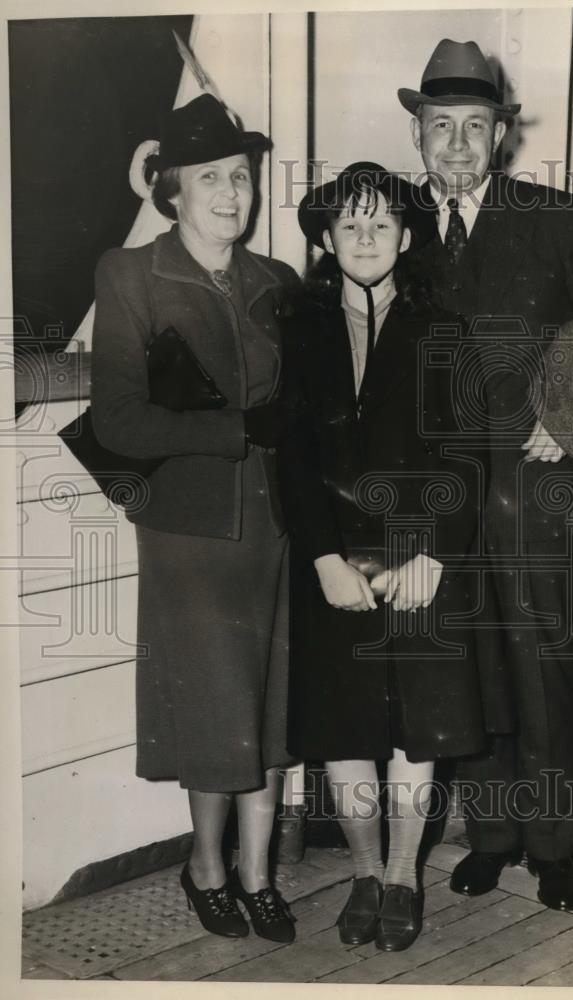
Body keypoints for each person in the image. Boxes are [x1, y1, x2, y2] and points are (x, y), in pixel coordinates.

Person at [399, 39, 573, 911]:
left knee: (541, 665)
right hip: (436, 491)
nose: (456, 144)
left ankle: (551, 845)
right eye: (439, 126)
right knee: (466, 665)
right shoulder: (385, 228)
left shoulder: (557, 219)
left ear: (500, 135)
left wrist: (568, 420)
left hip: (536, 488)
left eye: (474, 126)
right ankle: (490, 836)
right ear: (417, 135)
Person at [90, 94, 298, 942]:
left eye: (241, 177)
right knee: (217, 709)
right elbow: (119, 422)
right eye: (209, 177)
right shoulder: (130, 275)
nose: (229, 193)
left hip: (278, 527)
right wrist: (237, 430)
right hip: (189, 535)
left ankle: (257, 874)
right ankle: (205, 867)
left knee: (273, 709)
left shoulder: (277, 282)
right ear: (171, 190)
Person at [278, 162, 485, 951]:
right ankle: (363, 874)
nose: (366, 238)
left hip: (418, 561)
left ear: (406, 235)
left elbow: (466, 457)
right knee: (345, 731)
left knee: (410, 735)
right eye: (349, 225)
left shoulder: (444, 329)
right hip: (333, 562)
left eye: (381, 224)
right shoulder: (299, 329)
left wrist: (431, 553)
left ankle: (402, 877)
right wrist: (324, 558)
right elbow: (292, 459)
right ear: (327, 239)